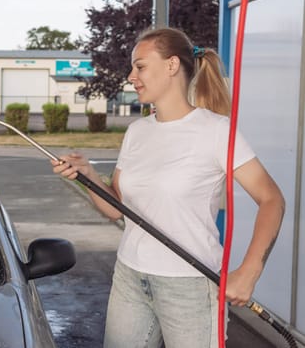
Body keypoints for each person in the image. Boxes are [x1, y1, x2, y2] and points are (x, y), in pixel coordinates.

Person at [51, 27, 285, 348]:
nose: (132, 76)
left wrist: (248, 271)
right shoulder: (138, 131)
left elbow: (271, 199)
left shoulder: (216, 131)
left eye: (141, 66)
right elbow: (115, 208)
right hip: (130, 275)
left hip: (189, 286)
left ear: (172, 66)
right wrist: (87, 174)